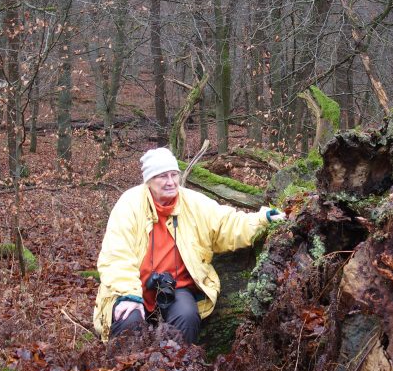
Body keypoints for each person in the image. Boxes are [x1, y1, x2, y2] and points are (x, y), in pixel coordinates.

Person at [93, 147, 285, 343]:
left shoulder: (193, 203)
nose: (171, 182)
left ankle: (178, 369)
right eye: (162, 176)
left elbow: (228, 225)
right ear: (148, 181)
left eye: (174, 175)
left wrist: (263, 219)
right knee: (128, 321)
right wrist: (128, 295)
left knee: (186, 315)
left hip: (175, 287)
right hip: (131, 289)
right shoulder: (130, 204)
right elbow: (116, 256)